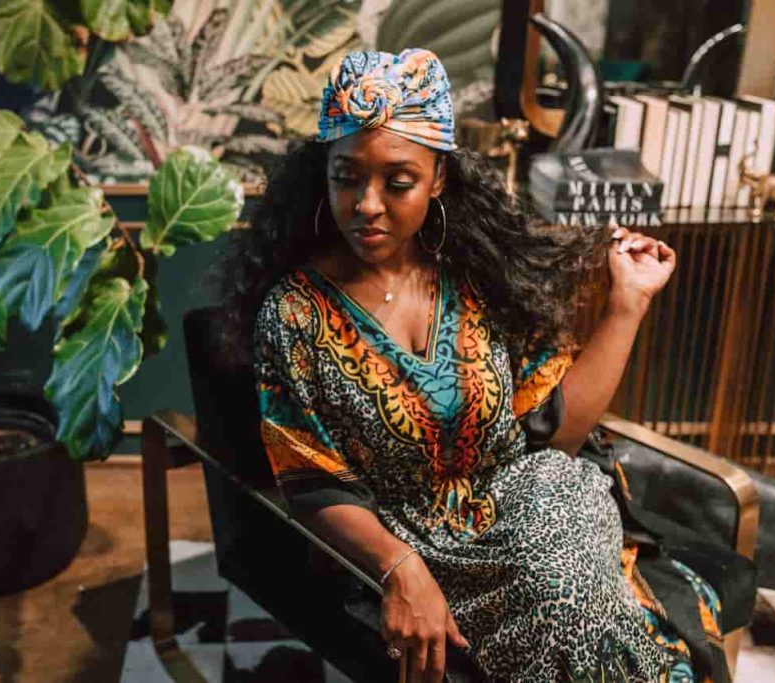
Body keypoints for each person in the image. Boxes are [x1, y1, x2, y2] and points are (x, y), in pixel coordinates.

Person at [219, 48, 725, 682]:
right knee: (569, 611)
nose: (367, 204)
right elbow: (313, 484)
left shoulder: (481, 275)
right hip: (413, 543)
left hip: (533, 503)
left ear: (438, 179)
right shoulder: (294, 314)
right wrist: (400, 567)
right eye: (346, 177)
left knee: (560, 585)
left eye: (397, 182)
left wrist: (628, 303)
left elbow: (553, 435)